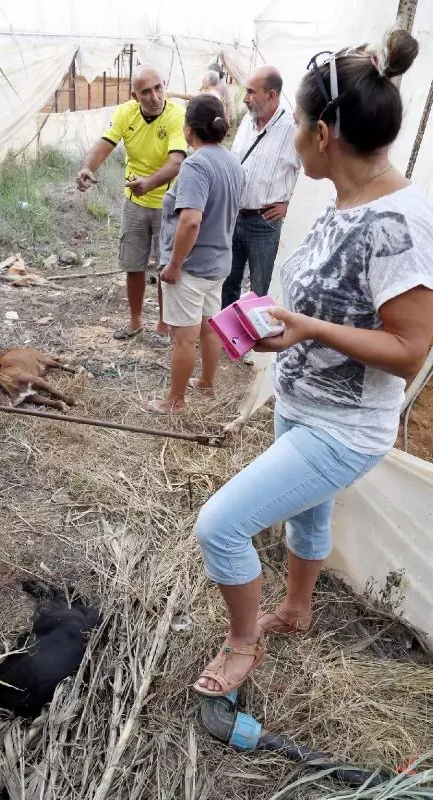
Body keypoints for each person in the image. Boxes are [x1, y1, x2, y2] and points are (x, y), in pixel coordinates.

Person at [192, 29, 433, 698]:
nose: (292, 136)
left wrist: (306, 329)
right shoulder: (346, 199)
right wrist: (280, 328)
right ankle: (295, 611)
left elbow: (411, 350)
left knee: (220, 525)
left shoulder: (402, 224)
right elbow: (338, 309)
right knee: (310, 516)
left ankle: (244, 646)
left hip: (346, 426)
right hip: (306, 402)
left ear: (324, 133)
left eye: (297, 123)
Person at [140, 94, 244, 414]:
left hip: (192, 268)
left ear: (188, 131)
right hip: (218, 265)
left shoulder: (195, 165)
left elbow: (191, 220)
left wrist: (174, 264)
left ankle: (175, 400)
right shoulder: (232, 162)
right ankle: (208, 384)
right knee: (210, 327)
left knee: (184, 338)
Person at [76, 66, 186, 345]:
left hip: (167, 203)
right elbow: (104, 144)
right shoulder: (126, 112)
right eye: (145, 92)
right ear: (134, 95)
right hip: (135, 203)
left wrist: (149, 183)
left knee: (165, 267)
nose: (154, 97)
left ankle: (163, 326)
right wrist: (88, 167)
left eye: (158, 88)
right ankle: (135, 321)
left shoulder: (176, 114)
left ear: (165, 85)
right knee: (133, 264)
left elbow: (176, 162)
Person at [221, 65, 301, 313]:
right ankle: (228, 334)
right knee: (228, 281)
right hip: (235, 217)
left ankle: (255, 341)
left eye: (251, 92)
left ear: (272, 95)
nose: (245, 98)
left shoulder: (292, 128)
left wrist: (289, 206)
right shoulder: (246, 121)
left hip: (264, 223)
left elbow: (311, 175)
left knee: (259, 288)